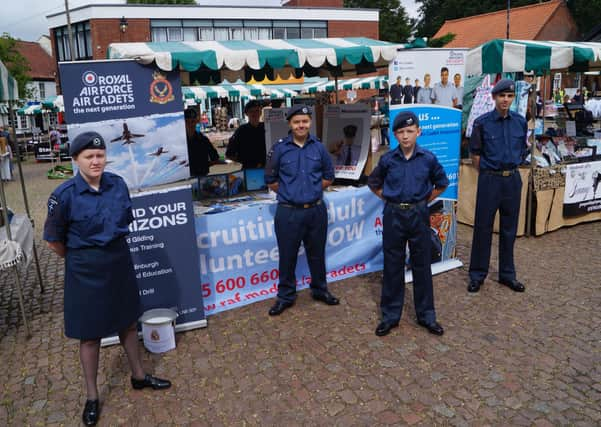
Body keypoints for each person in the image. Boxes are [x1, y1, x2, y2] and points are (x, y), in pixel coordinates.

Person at [43, 132, 171, 426]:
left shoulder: (118, 184)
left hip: (118, 261)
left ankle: (139, 376)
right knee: (90, 335)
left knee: (127, 321)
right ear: (76, 160)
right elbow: (53, 241)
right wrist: (81, 258)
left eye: (100, 156)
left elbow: (124, 221)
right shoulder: (63, 196)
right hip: (85, 268)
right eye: (89, 157)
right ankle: (92, 397)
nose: (96, 161)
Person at [367, 111, 448, 337]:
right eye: (401, 132)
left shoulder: (428, 159)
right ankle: (390, 316)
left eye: (410, 131)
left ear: (418, 132)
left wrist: (423, 201)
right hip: (394, 215)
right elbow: (373, 183)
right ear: (394, 134)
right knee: (393, 265)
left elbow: (441, 183)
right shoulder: (387, 160)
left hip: (418, 214)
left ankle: (427, 316)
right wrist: (389, 198)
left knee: (422, 264)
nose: (405, 136)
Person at [264, 104, 339, 316]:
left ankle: (320, 290)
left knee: (317, 254)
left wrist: (312, 191)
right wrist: (292, 193)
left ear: (310, 123)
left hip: (316, 210)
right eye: (297, 122)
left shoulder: (319, 147)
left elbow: (328, 175)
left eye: (305, 121)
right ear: (290, 124)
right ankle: (286, 296)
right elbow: (271, 180)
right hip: (288, 212)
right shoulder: (279, 149)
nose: (301, 125)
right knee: (287, 256)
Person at [468, 79, 527, 294]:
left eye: (509, 96)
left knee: (509, 229)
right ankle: (477, 274)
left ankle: (507, 275)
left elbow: (522, 150)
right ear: (494, 97)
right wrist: (486, 172)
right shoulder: (482, 122)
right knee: (483, 228)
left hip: (511, 179)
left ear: (513, 98)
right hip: (490, 179)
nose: (505, 100)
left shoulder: (520, 122)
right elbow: (475, 154)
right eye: (502, 96)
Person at [225, 100, 266, 169]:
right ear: (246, 113)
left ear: (260, 112)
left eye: (257, 111)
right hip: (248, 169)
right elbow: (229, 154)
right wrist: (245, 161)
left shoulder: (266, 128)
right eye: (251, 111)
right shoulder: (241, 131)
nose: (254, 114)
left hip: (267, 168)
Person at [184, 108, 219, 177]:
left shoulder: (203, 139)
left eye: (193, 121)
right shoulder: (180, 141)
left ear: (196, 121)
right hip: (185, 178)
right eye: (188, 122)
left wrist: (204, 165)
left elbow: (215, 158)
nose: (190, 124)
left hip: (201, 176)